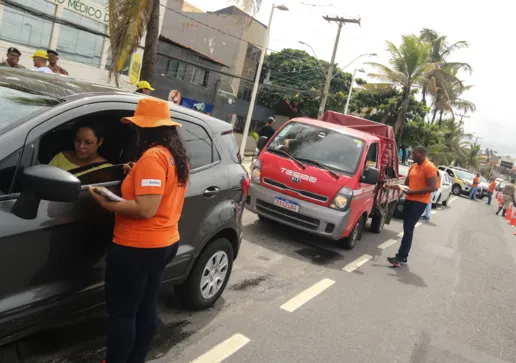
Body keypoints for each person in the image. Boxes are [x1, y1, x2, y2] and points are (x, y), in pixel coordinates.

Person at [88, 98, 189, 363]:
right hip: (164, 242)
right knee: (145, 306)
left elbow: (146, 208)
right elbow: (159, 190)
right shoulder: (172, 156)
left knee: (123, 314)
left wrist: (108, 203)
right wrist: (136, 174)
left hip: (137, 247)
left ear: (143, 128)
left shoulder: (152, 157)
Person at [386, 146, 437, 267]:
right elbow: (406, 184)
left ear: (422, 154)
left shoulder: (429, 167)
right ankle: (403, 257)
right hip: (409, 200)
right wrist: (390, 185)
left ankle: (400, 256)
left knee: (408, 229)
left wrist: (413, 192)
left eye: (414, 154)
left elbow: (432, 187)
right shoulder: (413, 167)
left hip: (420, 202)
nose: (412, 156)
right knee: (407, 229)